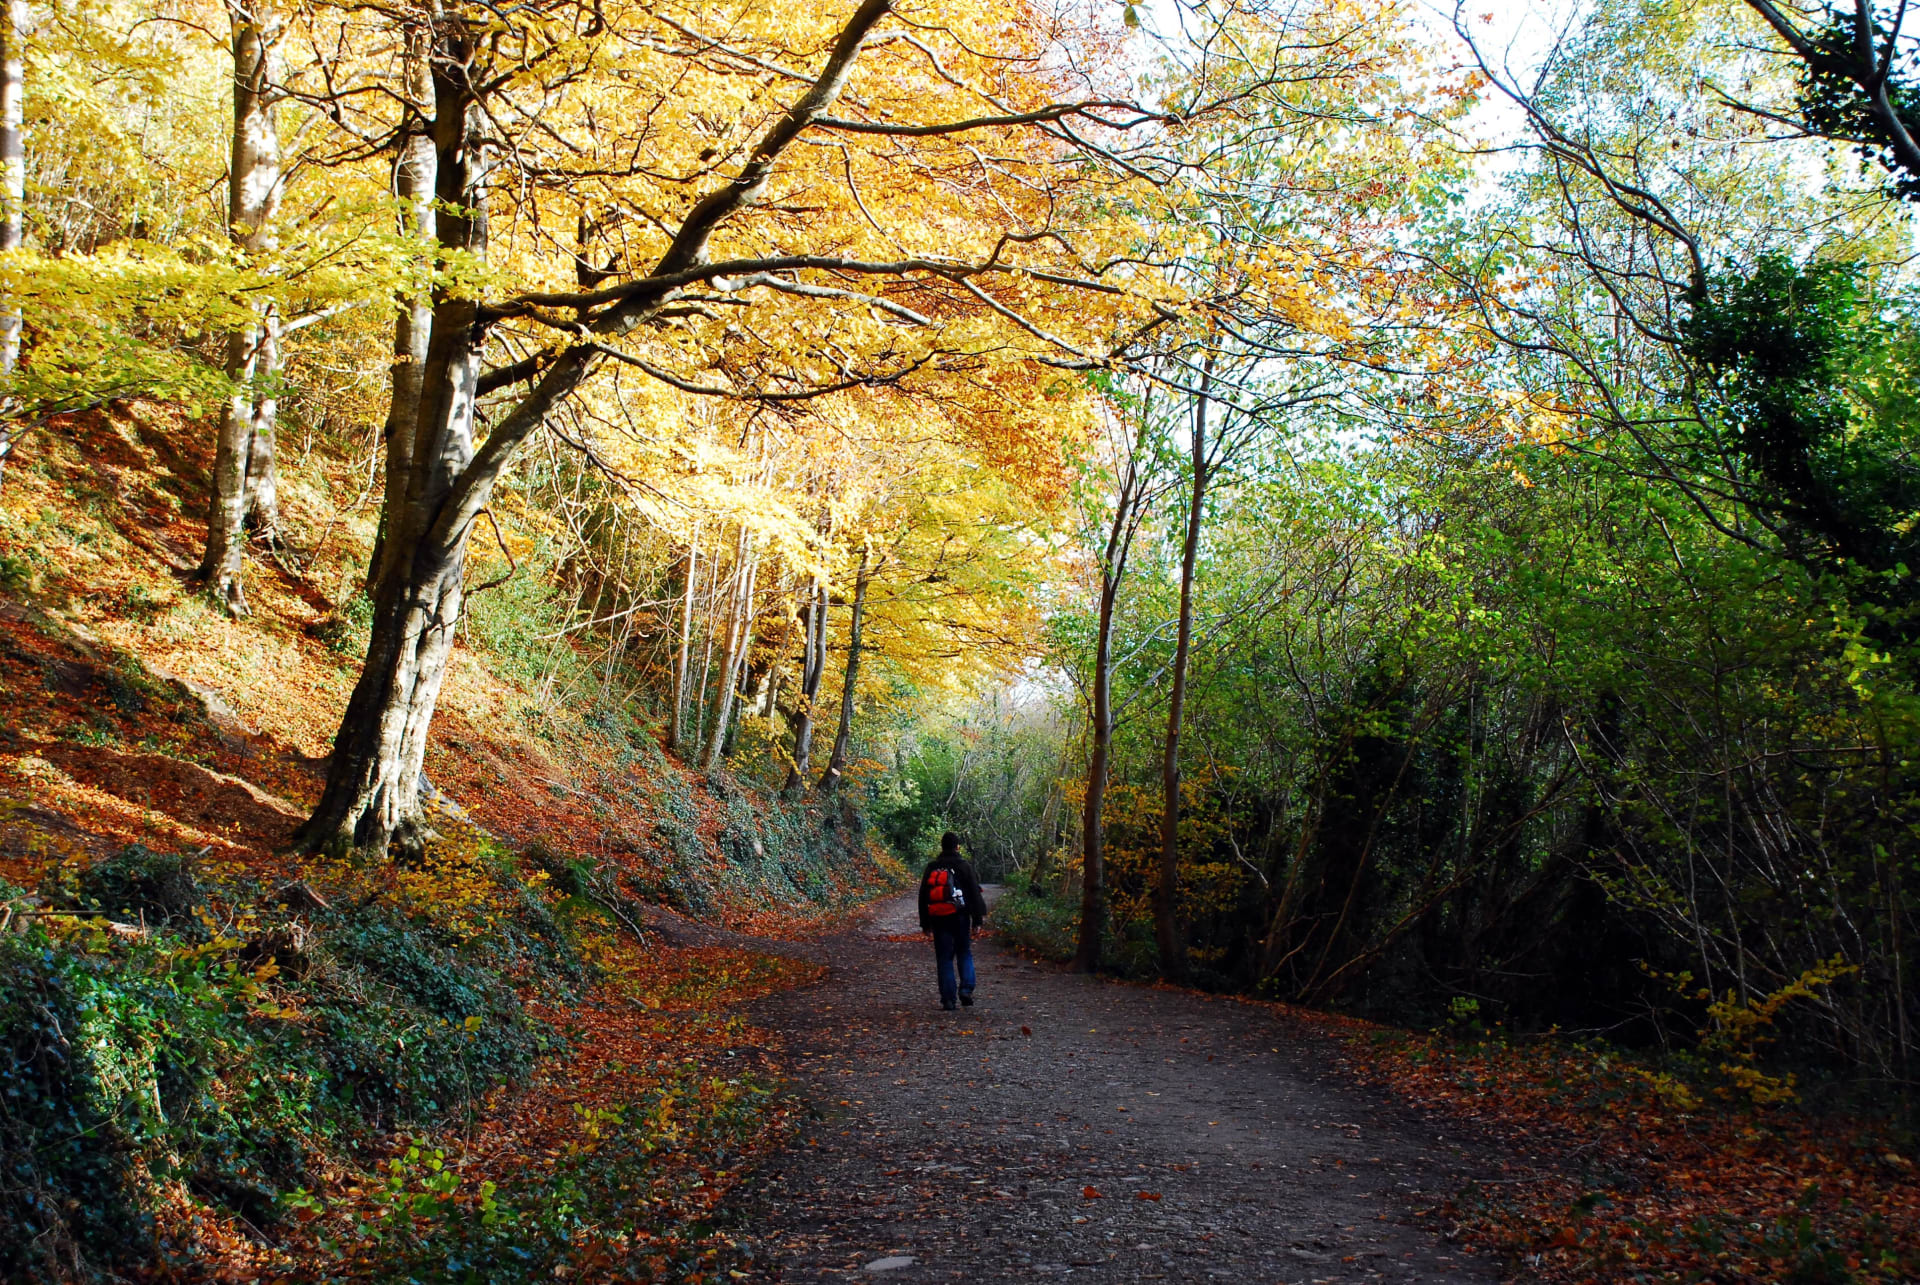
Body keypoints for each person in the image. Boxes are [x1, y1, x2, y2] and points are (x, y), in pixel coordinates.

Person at [917, 831, 986, 1011]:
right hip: (961, 917)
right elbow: (974, 893)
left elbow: (923, 895)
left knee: (944, 958)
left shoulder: (932, 867)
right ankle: (966, 990)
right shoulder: (964, 866)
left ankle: (948, 999)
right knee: (964, 952)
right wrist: (977, 920)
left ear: (942, 847)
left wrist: (925, 923)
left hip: (939, 918)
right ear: (957, 847)